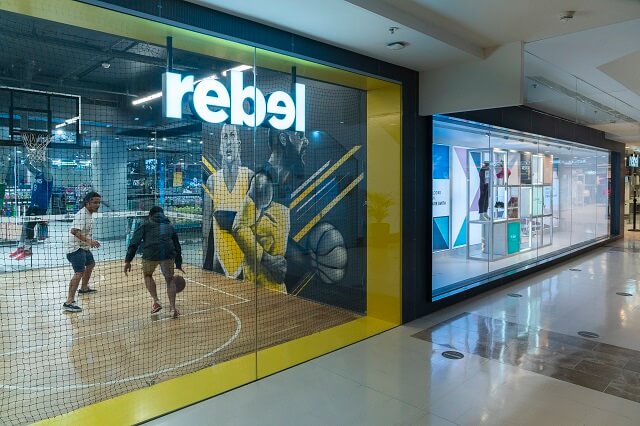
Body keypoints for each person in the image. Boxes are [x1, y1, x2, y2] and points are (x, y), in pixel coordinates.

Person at [202, 123, 253, 277]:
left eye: (232, 136)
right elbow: (206, 226)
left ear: (239, 145)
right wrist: (205, 263)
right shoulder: (212, 181)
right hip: (220, 262)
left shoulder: (250, 176)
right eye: (225, 137)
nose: (229, 141)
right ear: (220, 148)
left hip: (246, 261)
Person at [124, 206, 183, 318]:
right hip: (168, 254)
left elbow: (134, 242)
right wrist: (179, 263)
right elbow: (177, 245)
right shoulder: (169, 225)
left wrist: (128, 260)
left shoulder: (145, 224)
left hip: (150, 254)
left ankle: (156, 301)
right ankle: (173, 308)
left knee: (148, 275)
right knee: (170, 279)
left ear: (150, 215)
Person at [63, 191, 101, 313]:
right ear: (87, 203)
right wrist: (90, 241)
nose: (97, 205)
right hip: (74, 248)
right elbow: (74, 231)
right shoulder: (82, 215)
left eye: (99, 202)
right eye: (95, 202)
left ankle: (84, 288)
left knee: (90, 264)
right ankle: (69, 302)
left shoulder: (89, 214)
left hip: (83, 247)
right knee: (79, 272)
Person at [10, 155, 54, 260]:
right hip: (32, 205)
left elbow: (45, 168)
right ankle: (20, 247)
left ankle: (28, 250)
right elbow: (27, 164)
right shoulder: (38, 174)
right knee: (25, 226)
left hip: (40, 207)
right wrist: (31, 155)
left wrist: (43, 160)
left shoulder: (49, 176)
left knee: (30, 227)